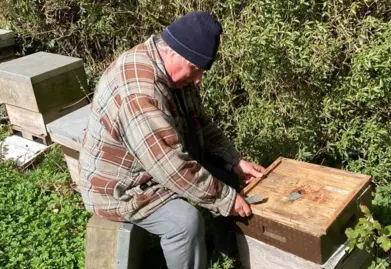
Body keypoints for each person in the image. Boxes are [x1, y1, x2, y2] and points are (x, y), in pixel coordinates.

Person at [78, 11, 266, 269]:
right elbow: (171, 166)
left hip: (151, 164)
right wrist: (226, 199)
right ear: (176, 53)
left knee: (228, 178)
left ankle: (231, 254)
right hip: (118, 186)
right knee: (184, 223)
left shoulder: (172, 67)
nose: (198, 79)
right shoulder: (141, 94)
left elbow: (200, 123)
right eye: (196, 69)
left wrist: (233, 161)